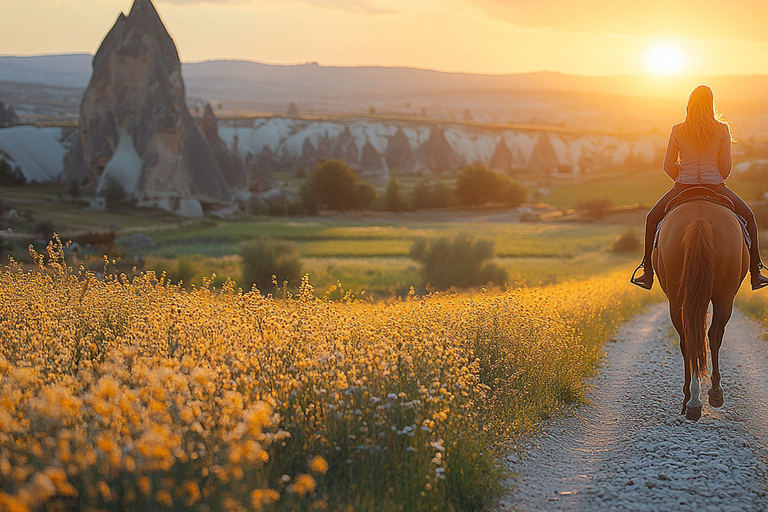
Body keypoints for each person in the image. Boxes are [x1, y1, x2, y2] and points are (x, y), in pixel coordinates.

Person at [631, 84, 768, 291]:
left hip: (682, 186)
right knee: (749, 217)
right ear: (711, 104)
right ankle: (756, 272)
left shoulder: (678, 129)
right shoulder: (722, 129)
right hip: (716, 186)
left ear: (689, 104)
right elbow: (725, 168)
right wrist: (711, 175)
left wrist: (683, 176)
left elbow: (668, 165)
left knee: (651, 218)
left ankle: (647, 271)